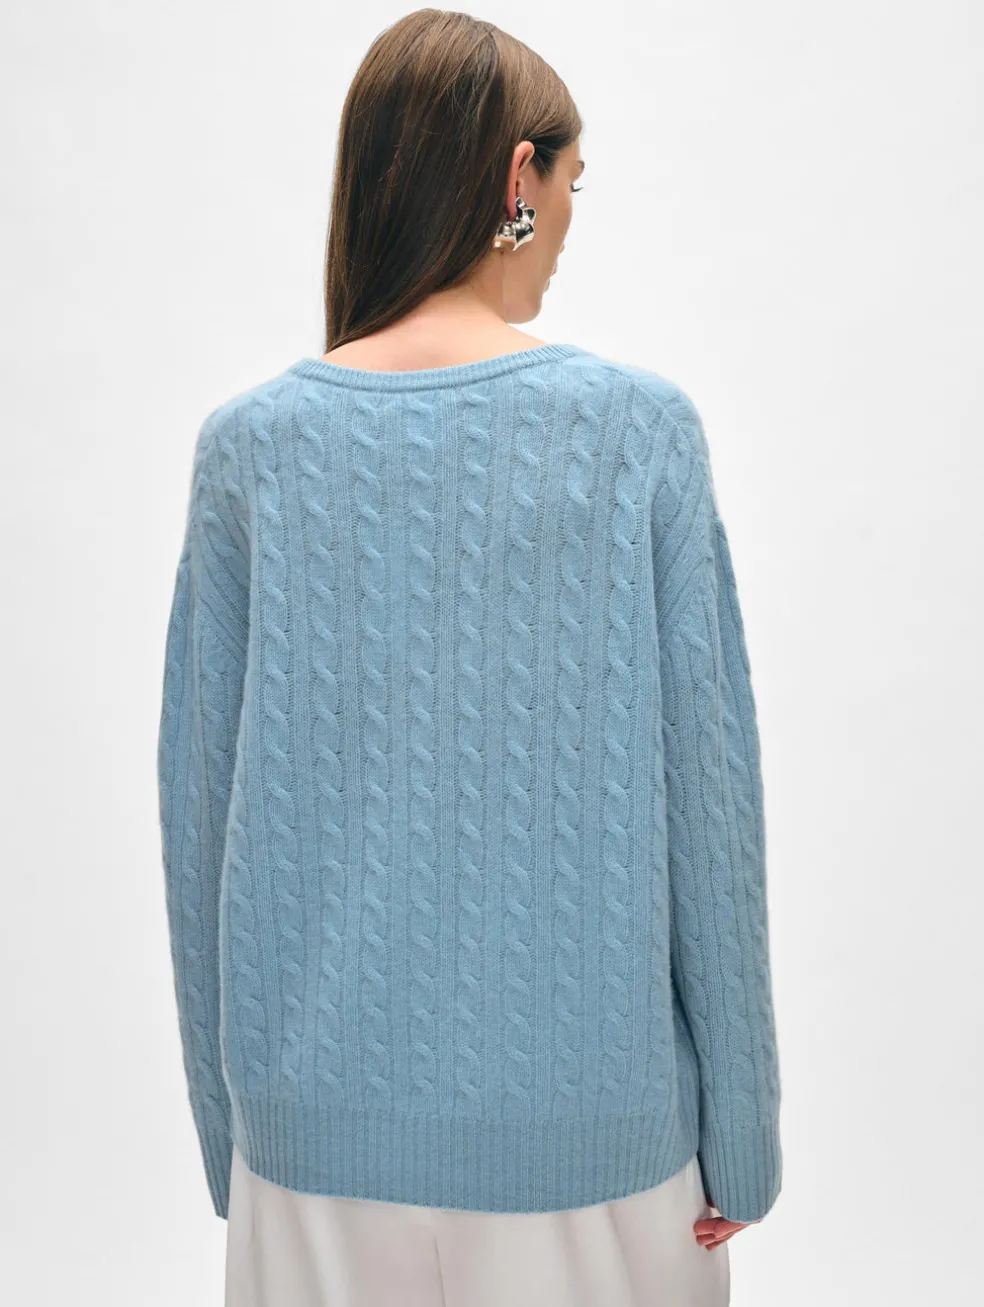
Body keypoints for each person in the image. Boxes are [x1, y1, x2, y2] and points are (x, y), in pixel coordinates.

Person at [155, 9, 782, 1306]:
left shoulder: (250, 451)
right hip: (599, 1159)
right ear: (517, 177)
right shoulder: (639, 433)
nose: (568, 223)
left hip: (311, 1167)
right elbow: (709, 816)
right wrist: (746, 1140)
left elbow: (197, 823)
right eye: (571, 185)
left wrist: (237, 1142)